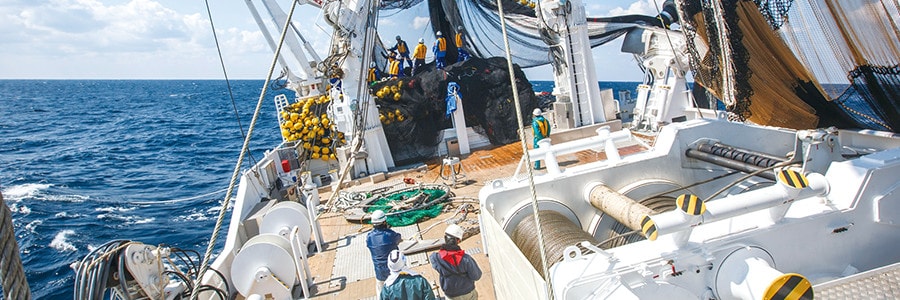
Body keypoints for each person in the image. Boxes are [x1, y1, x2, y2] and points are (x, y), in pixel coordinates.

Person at [430, 224, 481, 300]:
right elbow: (476, 276)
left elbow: (434, 263)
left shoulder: (435, 258)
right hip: (468, 293)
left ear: (445, 238)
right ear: (458, 241)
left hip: (451, 296)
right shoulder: (466, 259)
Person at [367, 210, 402, 297]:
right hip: (394, 270)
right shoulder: (390, 234)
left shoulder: (369, 237)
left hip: (379, 272)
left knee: (380, 292)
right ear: (384, 222)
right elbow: (398, 238)